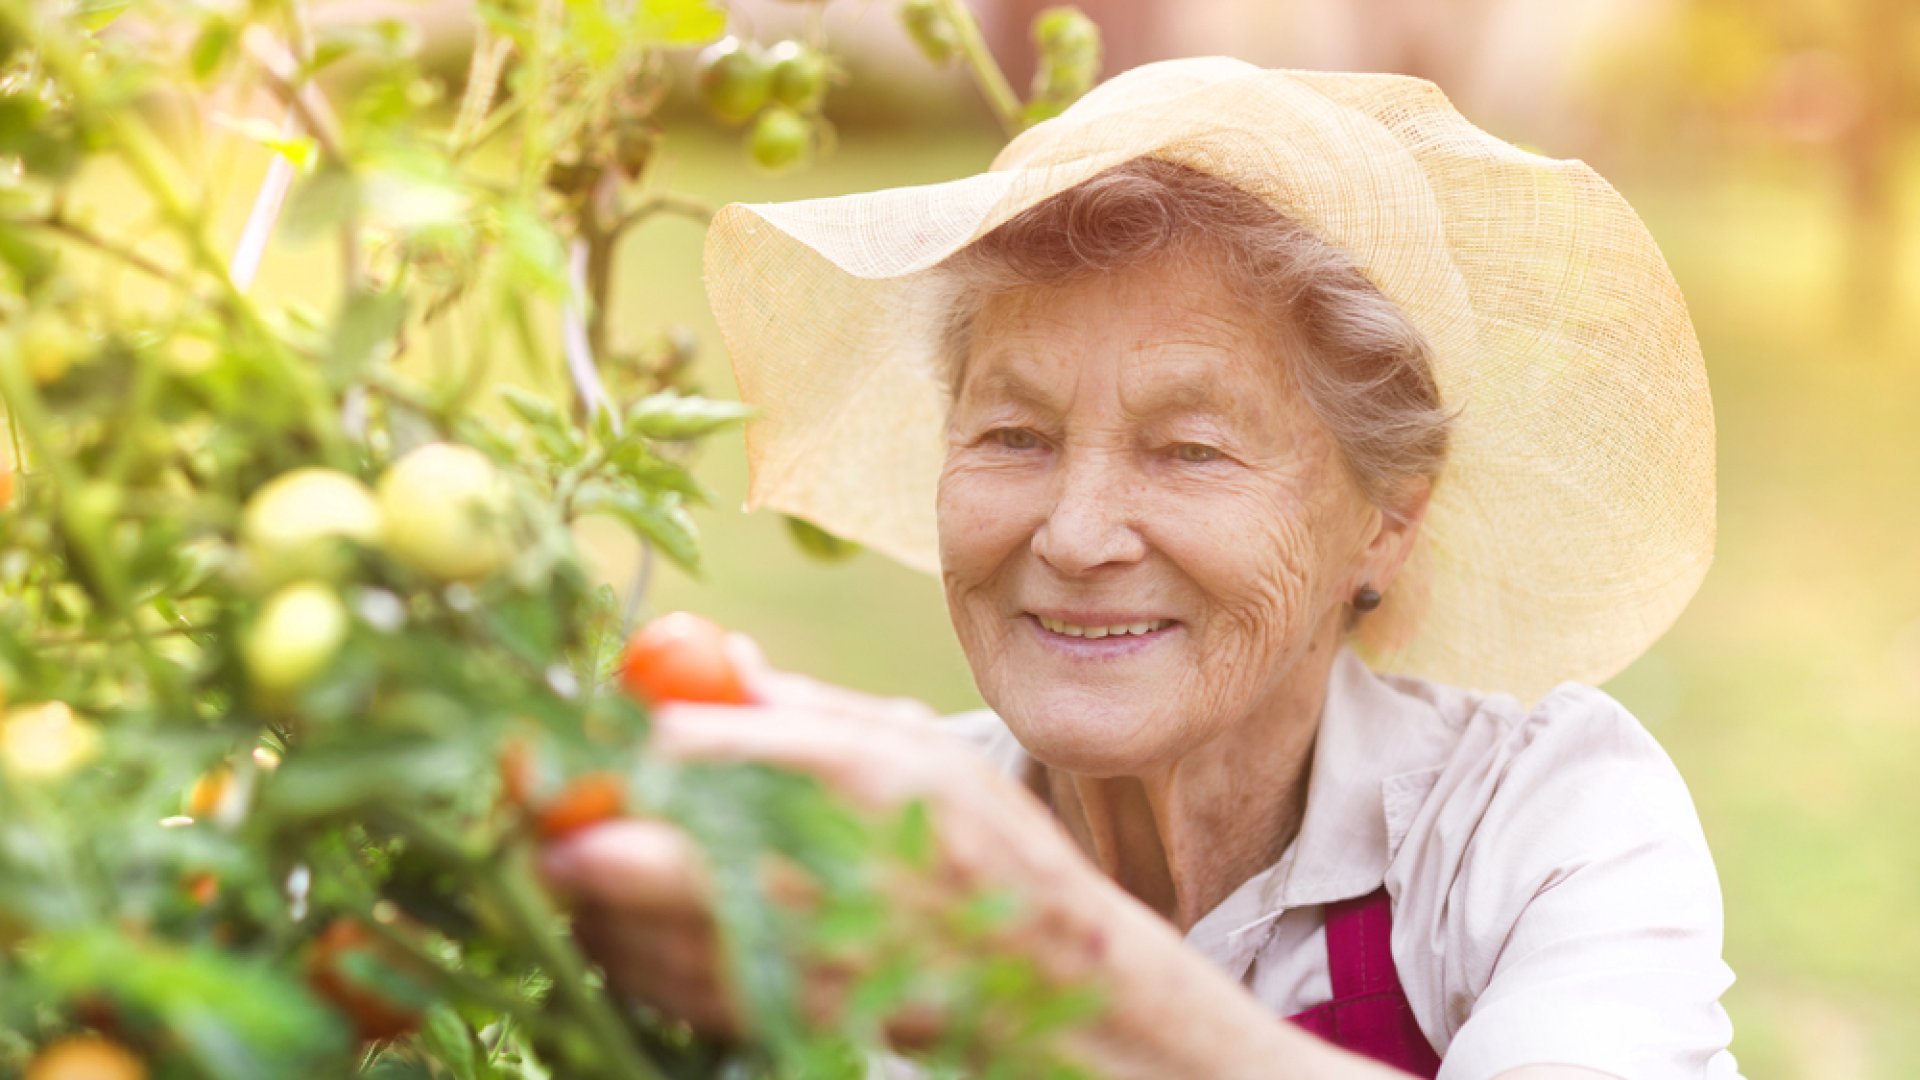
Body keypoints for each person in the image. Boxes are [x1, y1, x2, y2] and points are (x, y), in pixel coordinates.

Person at [538, 58, 1739, 1078]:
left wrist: (1038, 974)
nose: (1074, 532)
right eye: (1014, 435)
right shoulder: (857, 867)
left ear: (1384, 522)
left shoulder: (1536, 827)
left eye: (1190, 449)